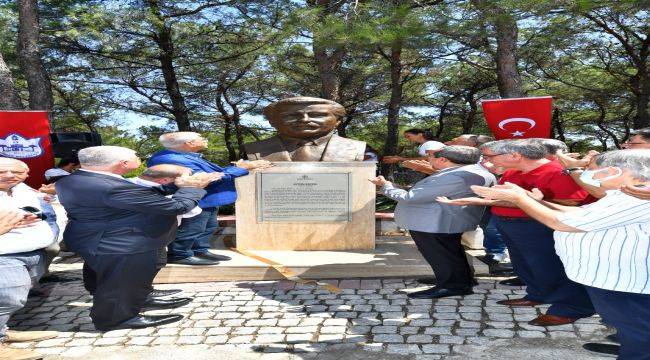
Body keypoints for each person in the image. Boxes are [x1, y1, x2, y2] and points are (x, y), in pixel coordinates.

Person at [471, 149, 650, 359]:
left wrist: (519, 198)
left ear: (614, 171)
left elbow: (560, 222)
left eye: (591, 170)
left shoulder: (638, 198)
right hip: (610, 278)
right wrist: (534, 200)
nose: (586, 174)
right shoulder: (625, 194)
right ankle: (630, 345)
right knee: (630, 327)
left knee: (639, 332)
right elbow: (579, 214)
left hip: (623, 281)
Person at [440, 139, 596, 326]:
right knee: (525, 265)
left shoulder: (557, 172)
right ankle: (537, 294)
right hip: (509, 224)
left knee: (550, 267)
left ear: (515, 156)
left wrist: (529, 199)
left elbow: (574, 203)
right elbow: (504, 198)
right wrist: (483, 200)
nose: (487, 161)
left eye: (490, 156)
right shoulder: (513, 171)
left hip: (538, 225)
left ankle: (571, 308)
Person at [55, 146, 212, 331]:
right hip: (121, 242)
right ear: (122, 164)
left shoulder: (76, 179)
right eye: (135, 155)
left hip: (102, 238)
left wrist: (173, 185)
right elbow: (178, 206)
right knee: (120, 283)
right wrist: (192, 188)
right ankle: (117, 319)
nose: (138, 156)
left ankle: (138, 301)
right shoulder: (109, 187)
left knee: (124, 280)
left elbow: (135, 195)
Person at [370, 146, 496, 299]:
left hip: (435, 222)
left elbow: (410, 197)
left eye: (430, 156)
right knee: (450, 252)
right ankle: (459, 279)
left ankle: (453, 285)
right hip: (447, 220)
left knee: (440, 254)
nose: (427, 160)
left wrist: (385, 186)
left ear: (443, 159)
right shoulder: (474, 171)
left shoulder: (455, 177)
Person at [148, 132, 271, 265]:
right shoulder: (171, 158)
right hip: (193, 198)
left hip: (206, 198)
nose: (205, 139)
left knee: (208, 226)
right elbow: (206, 178)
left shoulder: (185, 155)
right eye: (201, 138)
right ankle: (179, 254)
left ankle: (199, 250)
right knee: (192, 228)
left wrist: (237, 167)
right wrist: (241, 168)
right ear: (189, 143)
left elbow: (213, 172)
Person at [0, 158, 59, 360]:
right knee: (7, 298)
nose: (9, 175)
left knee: (14, 298)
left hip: (33, 252)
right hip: (5, 256)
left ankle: (3, 332)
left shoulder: (19, 190)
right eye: (2, 171)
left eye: (15, 171)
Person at [128, 164, 214, 299]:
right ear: (165, 180)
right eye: (186, 177)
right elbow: (187, 211)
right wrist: (191, 188)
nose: (189, 179)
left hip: (149, 236)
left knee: (154, 263)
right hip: (145, 237)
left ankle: (144, 292)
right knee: (145, 267)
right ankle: (136, 299)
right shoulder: (147, 192)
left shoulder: (127, 183)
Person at [245, 97, 367, 161]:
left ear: (338, 121)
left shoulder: (356, 148)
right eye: (291, 115)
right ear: (272, 121)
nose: (304, 120)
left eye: (317, 115)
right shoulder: (255, 150)